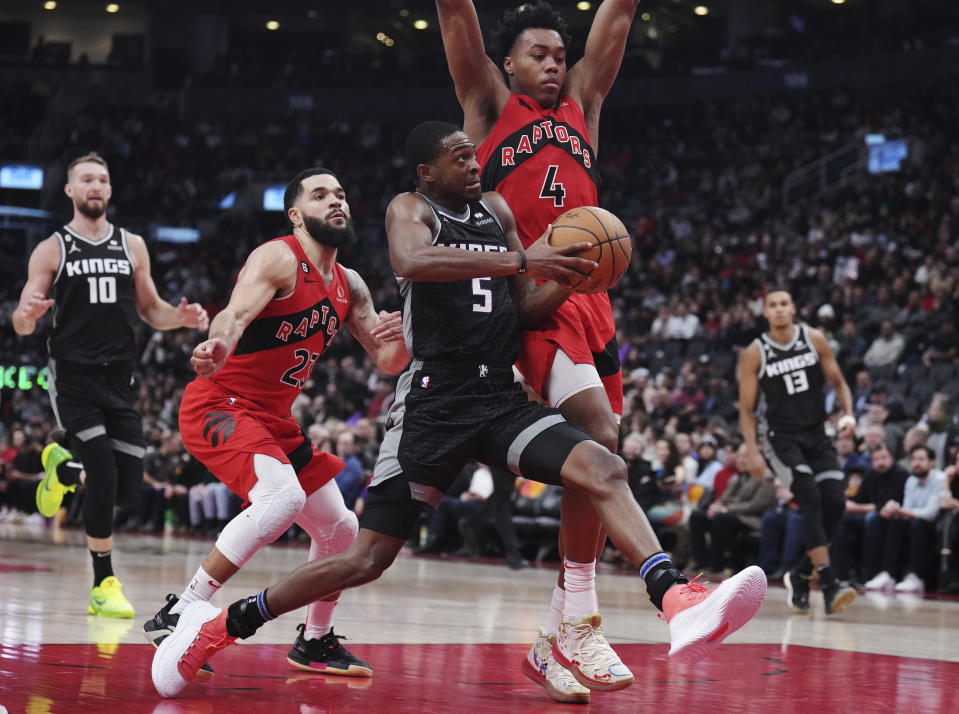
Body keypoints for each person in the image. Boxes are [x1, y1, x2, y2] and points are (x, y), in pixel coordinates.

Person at [151, 122, 767, 701]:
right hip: (432, 403)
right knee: (364, 558)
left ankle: (675, 598)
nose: (476, 162)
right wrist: (524, 260)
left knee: (604, 465)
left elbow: (521, 306)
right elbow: (413, 263)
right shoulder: (408, 209)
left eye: (476, 153)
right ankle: (219, 625)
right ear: (426, 171)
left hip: (496, 395)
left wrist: (574, 273)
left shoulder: (496, 212)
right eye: (460, 156)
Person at [436, 1, 641, 700]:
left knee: (604, 461)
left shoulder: (584, 99)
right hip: (528, 293)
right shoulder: (488, 102)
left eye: (559, 54)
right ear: (509, 63)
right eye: (539, 55)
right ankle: (582, 622)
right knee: (599, 433)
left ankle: (554, 637)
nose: (553, 64)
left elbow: (620, 13)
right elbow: (452, 14)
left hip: (592, 297)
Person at [142, 167, 409, 679]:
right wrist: (218, 344)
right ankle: (183, 610)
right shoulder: (279, 256)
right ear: (296, 214)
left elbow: (386, 360)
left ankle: (314, 642)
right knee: (282, 498)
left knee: (341, 529)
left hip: (274, 420)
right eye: (320, 194)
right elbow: (235, 315)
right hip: (220, 401)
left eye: (341, 194)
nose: (336, 201)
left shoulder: (349, 284)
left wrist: (406, 334)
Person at [12, 152, 208, 617]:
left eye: (102, 179)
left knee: (126, 491)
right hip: (74, 375)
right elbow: (21, 321)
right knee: (102, 473)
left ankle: (61, 472)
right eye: (86, 179)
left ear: (110, 189)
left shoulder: (132, 244)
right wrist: (28, 315)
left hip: (121, 377)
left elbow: (150, 309)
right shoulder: (52, 248)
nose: (95, 186)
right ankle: (104, 583)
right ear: (70, 191)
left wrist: (178, 318)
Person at [739, 289, 857, 615]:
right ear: (765, 312)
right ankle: (831, 584)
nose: (778, 310)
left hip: (817, 434)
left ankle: (801, 573)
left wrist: (848, 412)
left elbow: (839, 382)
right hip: (781, 438)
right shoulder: (755, 353)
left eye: (783, 304)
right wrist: (752, 451)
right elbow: (746, 410)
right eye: (772, 305)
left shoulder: (814, 339)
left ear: (793, 309)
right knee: (809, 494)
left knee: (835, 500)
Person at [860, 445, 945, 593]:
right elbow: (906, 508)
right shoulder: (911, 480)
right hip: (915, 521)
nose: (916, 463)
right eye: (914, 459)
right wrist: (897, 510)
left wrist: (902, 511)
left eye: (921, 459)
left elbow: (930, 513)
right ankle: (888, 574)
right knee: (896, 521)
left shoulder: (939, 479)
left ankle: (915, 576)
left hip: (936, 525)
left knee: (918, 523)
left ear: (931, 462)